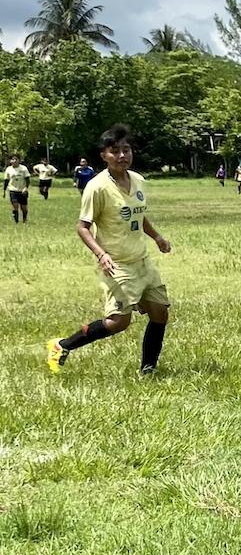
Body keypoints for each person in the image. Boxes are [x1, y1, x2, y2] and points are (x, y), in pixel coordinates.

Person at [46, 124, 173, 376]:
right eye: (115, 151)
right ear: (104, 155)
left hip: (142, 261)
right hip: (117, 264)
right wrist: (101, 254)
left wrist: (156, 237)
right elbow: (82, 227)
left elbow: (138, 216)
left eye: (126, 150)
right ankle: (62, 345)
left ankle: (148, 369)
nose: (122, 155)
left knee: (160, 313)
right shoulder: (97, 187)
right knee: (118, 322)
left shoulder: (137, 180)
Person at [4, 154, 31, 224]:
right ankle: (16, 222)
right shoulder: (8, 169)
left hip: (22, 191)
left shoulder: (23, 168)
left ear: (19, 160)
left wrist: (26, 188)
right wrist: (4, 190)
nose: (14, 161)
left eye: (16, 159)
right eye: (13, 159)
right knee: (15, 206)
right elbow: (6, 180)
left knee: (24, 208)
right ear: (10, 161)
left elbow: (27, 179)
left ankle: (24, 220)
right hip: (13, 190)